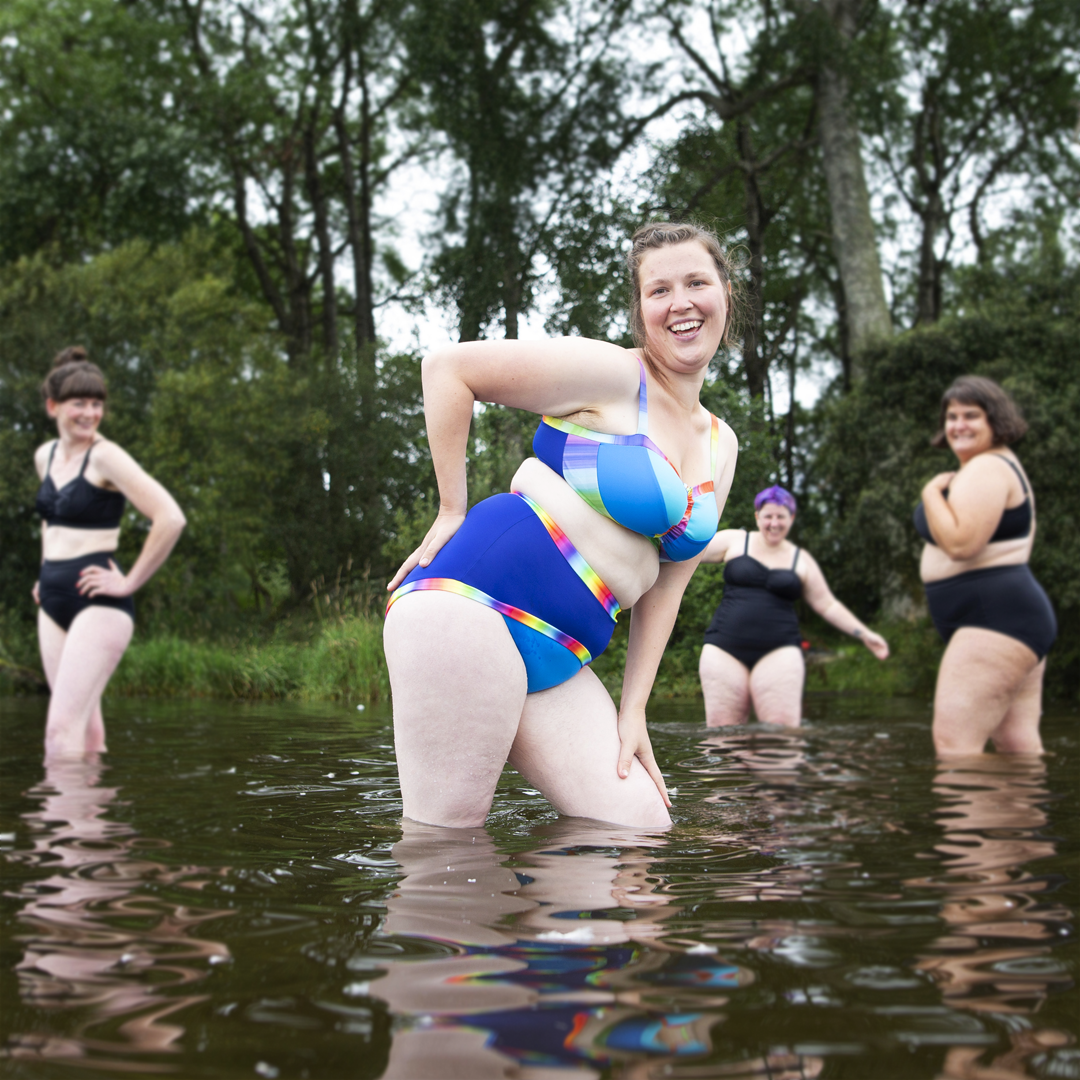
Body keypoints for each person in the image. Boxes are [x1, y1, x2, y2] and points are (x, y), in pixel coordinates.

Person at [384, 222, 739, 829]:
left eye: (696, 282)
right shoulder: (611, 373)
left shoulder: (722, 444)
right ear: (641, 310)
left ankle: (535, 924)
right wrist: (450, 509)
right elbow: (448, 369)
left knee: (639, 827)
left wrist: (634, 711)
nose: (679, 303)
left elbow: (670, 586)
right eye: (659, 290)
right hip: (475, 603)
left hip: (565, 648)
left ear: (725, 293)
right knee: (447, 851)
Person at [33, 346, 186, 761]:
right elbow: (52, 519)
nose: (89, 412)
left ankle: (58, 826)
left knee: (59, 732)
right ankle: (88, 825)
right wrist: (43, 573)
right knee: (87, 732)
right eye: (78, 403)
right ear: (53, 406)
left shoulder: (105, 456)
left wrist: (128, 581)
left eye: (97, 404)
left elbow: (169, 518)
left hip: (99, 601)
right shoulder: (44, 456)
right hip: (51, 599)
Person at [914, 375, 1055, 754]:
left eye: (971, 415)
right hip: (1008, 619)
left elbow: (962, 544)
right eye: (952, 416)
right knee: (1016, 744)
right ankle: (1026, 815)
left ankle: (971, 816)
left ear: (996, 420)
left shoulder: (988, 467)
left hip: (993, 618)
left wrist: (930, 494)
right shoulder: (993, 467)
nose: (958, 425)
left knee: (955, 746)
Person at [698, 485, 889, 726]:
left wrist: (864, 634)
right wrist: (655, 539)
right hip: (724, 649)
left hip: (779, 652)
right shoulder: (735, 540)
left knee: (781, 740)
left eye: (781, 517)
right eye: (768, 516)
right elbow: (688, 551)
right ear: (757, 516)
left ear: (792, 519)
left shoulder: (801, 559)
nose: (774, 523)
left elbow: (827, 605)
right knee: (722, 740)